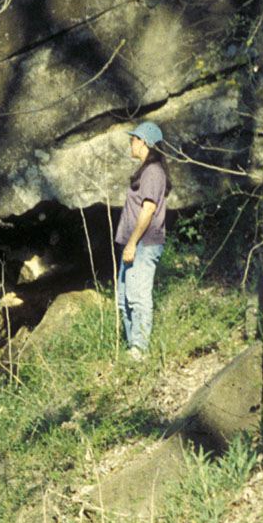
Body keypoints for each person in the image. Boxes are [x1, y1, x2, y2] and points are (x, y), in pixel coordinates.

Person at [114, 121, 170, 359]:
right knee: (123, 300)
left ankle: (140, 349)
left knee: (137, 297)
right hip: (135, 244)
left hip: (143, 244)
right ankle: (132, 349)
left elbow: (148, 210)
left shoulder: (153, 171)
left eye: (134, 138)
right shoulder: (146, 171)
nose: (131, 142)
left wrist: (132, 242)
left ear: (144, 142)